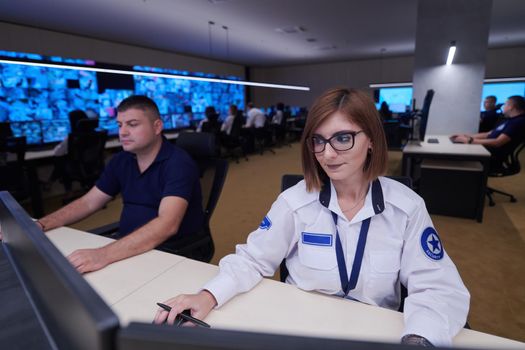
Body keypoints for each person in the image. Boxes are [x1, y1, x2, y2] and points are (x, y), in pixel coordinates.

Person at [154, 88, 470, 347]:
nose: (328, 153)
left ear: (371, 139)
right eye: (318, 140)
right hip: (301, 330)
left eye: (343, 138)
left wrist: (419, 339)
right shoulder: (295, 202)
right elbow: (253, 259)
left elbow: (437, 288)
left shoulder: (406, 207)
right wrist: (208, 295)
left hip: (373, 334)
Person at [13, 95, 204, 273]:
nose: (123, 132)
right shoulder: (122, 160)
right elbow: (89, 202)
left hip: (170, 251)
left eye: (132, 124)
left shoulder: (178, 163)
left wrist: (102, 254)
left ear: (157, 127)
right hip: (128, 245)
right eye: (119, 125)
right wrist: (41, 224)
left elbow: (167, 225)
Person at [451, 95, 525, 171]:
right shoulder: (509, 120)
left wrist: (470, 141)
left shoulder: (518, 122)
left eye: (505, 104)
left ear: (511, 107)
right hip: (486, 150)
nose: (503, 106)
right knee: (457, 148)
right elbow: (488, 134)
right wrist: (466, 136)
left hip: (492, 157)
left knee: (456, 155)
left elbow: (498, 142)